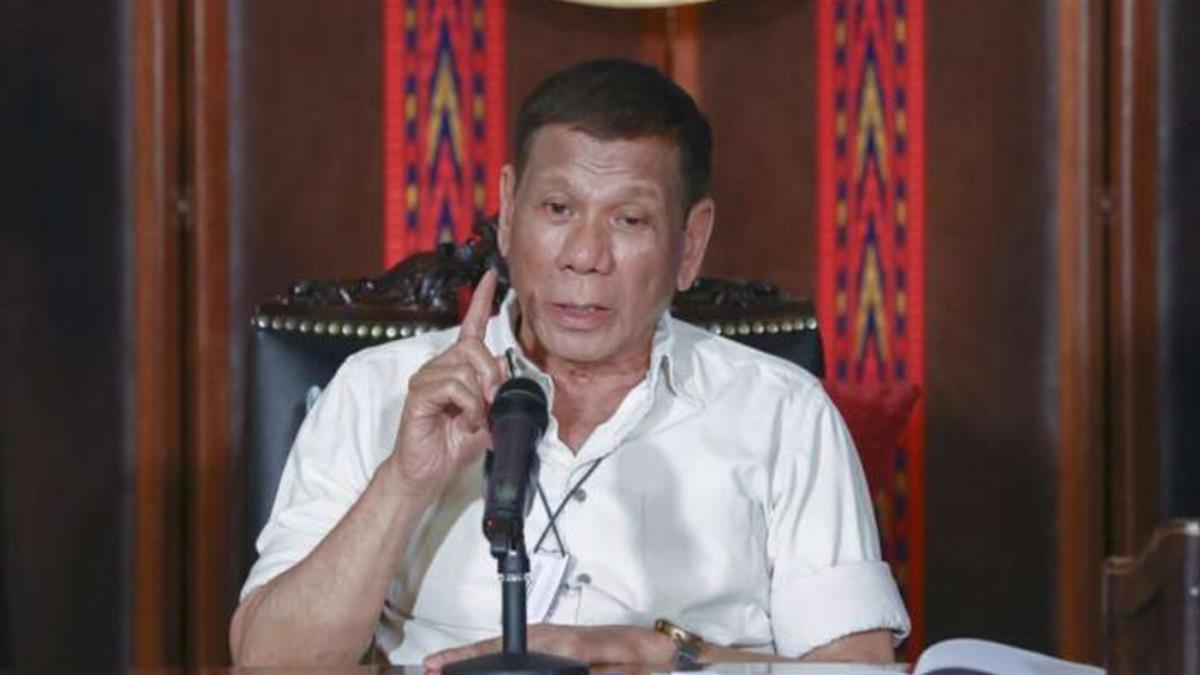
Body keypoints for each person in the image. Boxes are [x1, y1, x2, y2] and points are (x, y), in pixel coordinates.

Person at [230, 58, 910, 668]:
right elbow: (270, 660)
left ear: (691, 242)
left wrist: (653, 651)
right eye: (558, 208)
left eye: (629, 221)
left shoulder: (784, 414)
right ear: (508, 211)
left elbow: (858, 668)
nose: (585, 255)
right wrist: (405, 482)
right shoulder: (376, 389)